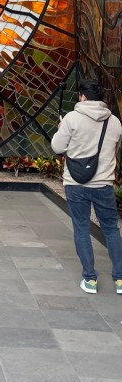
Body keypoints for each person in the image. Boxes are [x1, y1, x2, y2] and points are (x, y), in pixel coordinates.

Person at [51, 78, 122, 294]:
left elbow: (57, 147)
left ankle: (90, 279)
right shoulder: (115, 122)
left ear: (82, 96)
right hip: (103, 184)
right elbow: (113, 149)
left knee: (81, 228)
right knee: (111, 229)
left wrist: (61, 129)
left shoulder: (72, 119)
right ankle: (120, 279)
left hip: (76, 183)